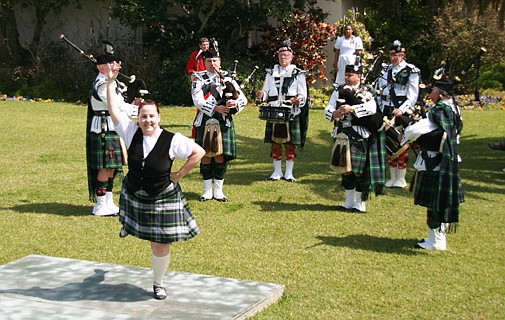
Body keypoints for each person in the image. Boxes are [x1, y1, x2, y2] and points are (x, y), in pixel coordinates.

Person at [105, 61, 205, 299]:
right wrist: (110, 81)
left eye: (152, 116)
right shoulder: (130, 132)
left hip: (161, 195)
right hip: (134, 192)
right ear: (137, 118)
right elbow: (113, 110)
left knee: (159, 244)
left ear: (159, 117)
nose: (147, 120)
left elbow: (199, 152)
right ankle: (129, 223)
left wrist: (179, 175)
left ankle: (158, 283)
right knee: (133, 219)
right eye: (143, 116)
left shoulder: (173, 139)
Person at [401, 75, 463, 250]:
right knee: (439, 202)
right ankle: (438, 239)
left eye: (434, 91)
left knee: (434, 203)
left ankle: (435, 241)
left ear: (441, 94)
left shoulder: (440, 110)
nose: (431, 94)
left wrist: (405, 135)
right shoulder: (455, 109)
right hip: (447, 160)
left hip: (436, 162)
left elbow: (419, 128)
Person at [324, 64, 386, 212]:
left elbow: (372, 109)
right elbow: (329, 107)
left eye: (351, 74)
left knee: (358, 170)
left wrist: (352, 109)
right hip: (342, 133)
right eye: (346, 74)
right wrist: (333, 114)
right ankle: (348, 201)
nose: (347, 77)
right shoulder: (338, 90)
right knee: (345, 168)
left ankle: (360, 203)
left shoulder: (367, 91)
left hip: (359, 135)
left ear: (359, 76)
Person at [191, 49, 247, 202]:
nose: (212, 64)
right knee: (206, 154)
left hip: (223, 120)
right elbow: (196, 99)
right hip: (205, 120)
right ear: (205, 62)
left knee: (220, 154)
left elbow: (243, 98)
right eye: (209, 61)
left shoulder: (228, 77)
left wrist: (235, 103)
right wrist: (214, 108)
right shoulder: (199, 77)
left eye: (215, 61)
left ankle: (219, 191)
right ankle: (207, 191)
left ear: (220, 61)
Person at [86, 53, 139, 216]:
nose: (117, 65)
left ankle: (109, 203)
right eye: (112, 63)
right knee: (105, 166)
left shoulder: (110, 82)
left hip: (112, 126)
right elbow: (115, 105)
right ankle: (100, 206)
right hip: (103, 128)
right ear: (102, 67)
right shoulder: (102, 84)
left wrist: (133, 104)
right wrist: (138, 111)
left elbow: (121, 102)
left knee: (113, 167)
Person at [258, 43, 308, 182]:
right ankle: (277, 171)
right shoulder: (270, 73)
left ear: (291, 57)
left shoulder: (298, 73)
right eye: (281, 55)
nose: (283, 57)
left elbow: (303, 94)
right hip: (274, 109)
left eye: (286, 55)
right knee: (275, 141)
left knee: (291, 143)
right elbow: (266, 93)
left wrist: (298, 100)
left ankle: (289, 173)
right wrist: (262, 96)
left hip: (291, 110)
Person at [376, 40, 420, 188]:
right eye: (392, 55)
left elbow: (413, 95)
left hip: (401, 111)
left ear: (403, 55)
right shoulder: (386, 70)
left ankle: (401, 178)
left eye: (398, 55)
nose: (394, 58)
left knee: (401, 143)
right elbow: (380, 90)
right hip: (386, 110)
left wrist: (402, 109)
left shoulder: (411, 70)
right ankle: (392, 177)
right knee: (389, 144)